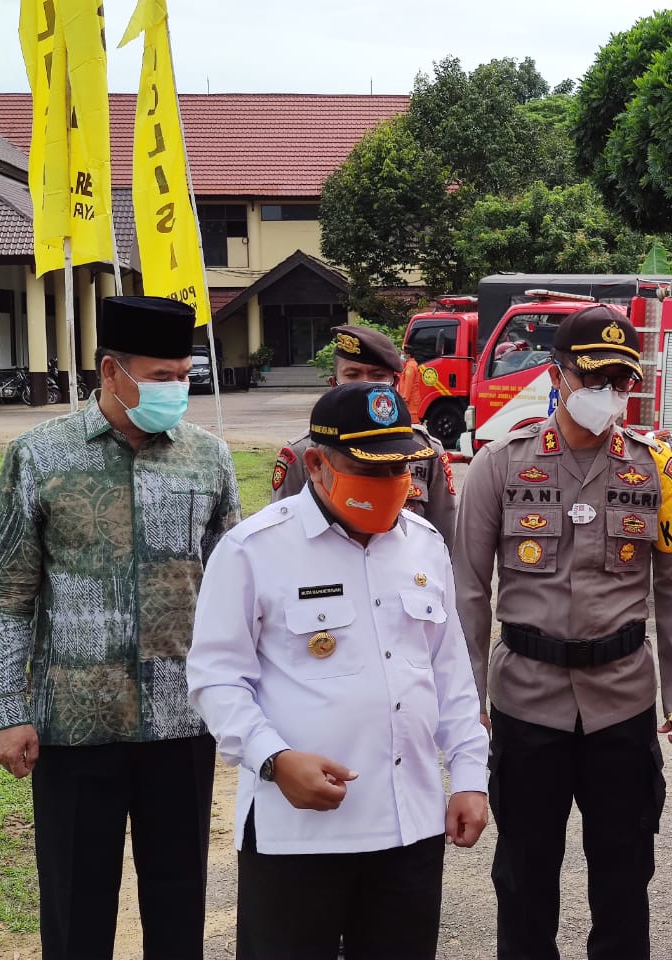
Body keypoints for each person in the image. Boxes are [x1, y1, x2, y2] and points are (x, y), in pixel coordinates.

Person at [0, 296, 241, 960]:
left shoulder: (209, 459)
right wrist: (8, 709)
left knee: (180, 905)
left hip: (182, 722)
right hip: (74, 726)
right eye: (160, 375)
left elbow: (237, 593)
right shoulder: (39, 456)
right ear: (110, 372)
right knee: (76, 907)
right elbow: (7, 596)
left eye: (184, 374)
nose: (176, 389)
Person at [188, 382, 489, 960]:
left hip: (409, 826)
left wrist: (471, 776)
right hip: (297, 832)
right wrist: (274, 759)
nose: (391, 484)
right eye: (369, 469)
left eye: (401, 467)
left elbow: (450, 673)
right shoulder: (255, 549)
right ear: (317, 464)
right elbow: (216, 677)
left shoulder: (424, 544)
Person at [454, 304, 672, 960]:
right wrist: (465, 704)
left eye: (620, 381)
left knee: (625, 879)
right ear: (558, 375)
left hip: (622, 705)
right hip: (526, 703)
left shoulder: (655, 468)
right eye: (593, 378)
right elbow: (468, 589)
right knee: (523, 880)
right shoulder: (501, 465)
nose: (608, 394)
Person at [271, 325, 456, 550]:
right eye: (352, 375)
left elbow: (444, 540)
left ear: (395, 385)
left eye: (377, 376)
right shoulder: (303, 453)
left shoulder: (425, 450)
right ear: (333, 384)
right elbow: (282, 535)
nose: (364, 385)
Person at [398, 349, 424, 423]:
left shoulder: (410, 367)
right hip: (413, 397)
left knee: (412, 421)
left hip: (411, 399)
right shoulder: (414, 364)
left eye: (403, 354)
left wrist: (405, 398)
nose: (402, 356)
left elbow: (408, 384)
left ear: (408, 355)